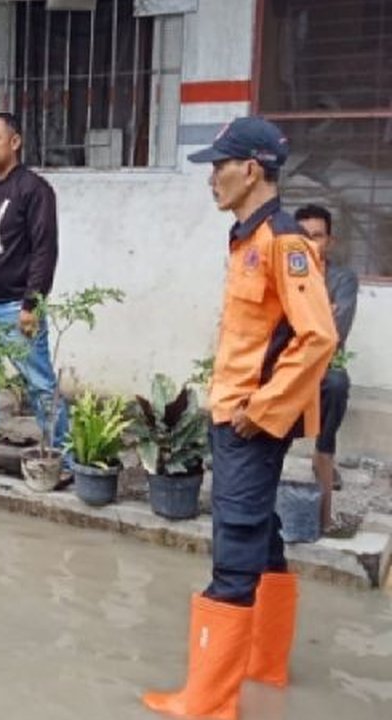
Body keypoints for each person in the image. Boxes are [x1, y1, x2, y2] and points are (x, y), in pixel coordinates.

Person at [143, 117, 337, 719]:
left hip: (250, 422)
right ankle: (263, 664)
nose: (211, 179)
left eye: (218, 166)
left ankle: (207, 703)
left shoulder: (284, 242)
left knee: (234, 546)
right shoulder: (247, 238)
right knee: (262, 534)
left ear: (250, 169)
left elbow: (318, 337)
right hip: (236, 412)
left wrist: (262, 408)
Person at [0, 112, 66, 453]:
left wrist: (30, 305)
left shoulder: (34, 190)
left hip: (14, 309)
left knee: (38, 385)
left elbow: (44, 251)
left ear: (15, 142)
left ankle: (63, 458)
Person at [294, 204, 359, 534]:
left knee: (336, 383)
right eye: (302, 236)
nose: (310, 243)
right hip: (288, 366)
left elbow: (337, 332)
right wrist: (320, 320)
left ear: (328, 241)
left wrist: (305, 329)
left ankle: (323, 455)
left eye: (316, 236)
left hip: (325, 364)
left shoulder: (342, 279)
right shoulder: (285, 276)